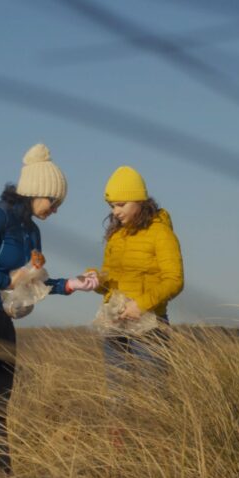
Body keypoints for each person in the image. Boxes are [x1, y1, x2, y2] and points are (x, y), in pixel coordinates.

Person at [0, 143, 96, 476]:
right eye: (54, 201)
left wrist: (69, 285)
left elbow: (32, 280)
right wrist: (5, 280)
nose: (56, 209)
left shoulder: (32, 231)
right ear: (38, 192)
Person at [92, 165, 184, 398]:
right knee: (116, 394)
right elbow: (109, 278)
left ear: (140, 201)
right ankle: (117, 435)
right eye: (112, 206)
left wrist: (141, 305)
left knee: (153, 395)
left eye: (121, 205)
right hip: (114, 324)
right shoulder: (115, 235)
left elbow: (174, 280)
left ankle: (154, 434)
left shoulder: (161, 233)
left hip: (150, 325)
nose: (115, 212)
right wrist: (94, 279)